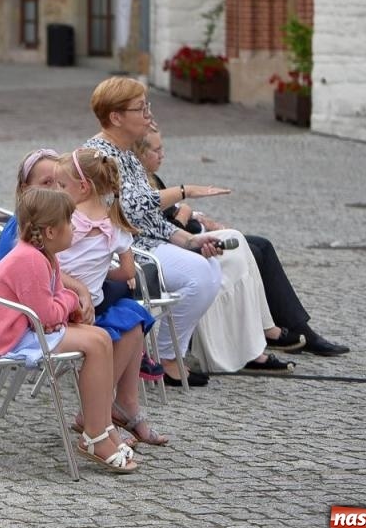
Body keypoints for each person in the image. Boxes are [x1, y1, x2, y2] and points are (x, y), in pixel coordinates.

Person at [136, 130, 350, 358]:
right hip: (174, 246)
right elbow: (157, 226)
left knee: (262, 246)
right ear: (139, 153)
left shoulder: (153, 178)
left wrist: (196, 214)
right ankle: (262, 338)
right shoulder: (138, 184)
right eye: (156, 150)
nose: (163, 155)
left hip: (190, 235)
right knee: (251, 251)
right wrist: (186, 208)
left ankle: (296, 330)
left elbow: (171, 211)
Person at [0, 186, 139, 473]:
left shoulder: (43, 254)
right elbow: (47, 314)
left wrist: (66, 302)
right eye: (69, 222)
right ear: (50, 231)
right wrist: (73, 300)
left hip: (22, 326)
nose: (73, 228)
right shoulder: (30, 259)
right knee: (96, 345)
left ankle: (102, 427)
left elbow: (53, 298)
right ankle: (96, 436)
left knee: (101, 338)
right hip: (8, 336)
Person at [83, 76, 226, 388]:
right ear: (116, 117)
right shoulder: (97, 154)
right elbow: (130, 208)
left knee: (211, 267)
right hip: (118, 250)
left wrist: (190, 239)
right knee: (198, 275)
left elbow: (148, 217)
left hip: (141, 240)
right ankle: (165, 358)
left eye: (147, 106)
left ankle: (169, 353)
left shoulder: (127, 153)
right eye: (140, 108)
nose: (148, 114)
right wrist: (185, 191)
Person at [54, 148, 166, 446]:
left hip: (77, 304)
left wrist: (89, 277)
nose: (57, 192)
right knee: (133, 314)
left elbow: (50, 262)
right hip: (65, 310)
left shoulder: (65, 218)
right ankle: (99, 415)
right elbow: (128, 271)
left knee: (132, 316)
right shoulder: (112, 220)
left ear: (83, 187)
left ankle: (117, 408)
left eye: (61, 186)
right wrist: (98, 275)